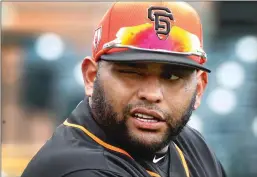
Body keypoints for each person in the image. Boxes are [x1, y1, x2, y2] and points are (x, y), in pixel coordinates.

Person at [21, 2, 227, 177]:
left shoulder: (191, 145)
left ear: (199, 90)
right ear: (91, 77)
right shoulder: (79, 169)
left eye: (172, 76)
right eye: (132, 72)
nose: (152, 94)